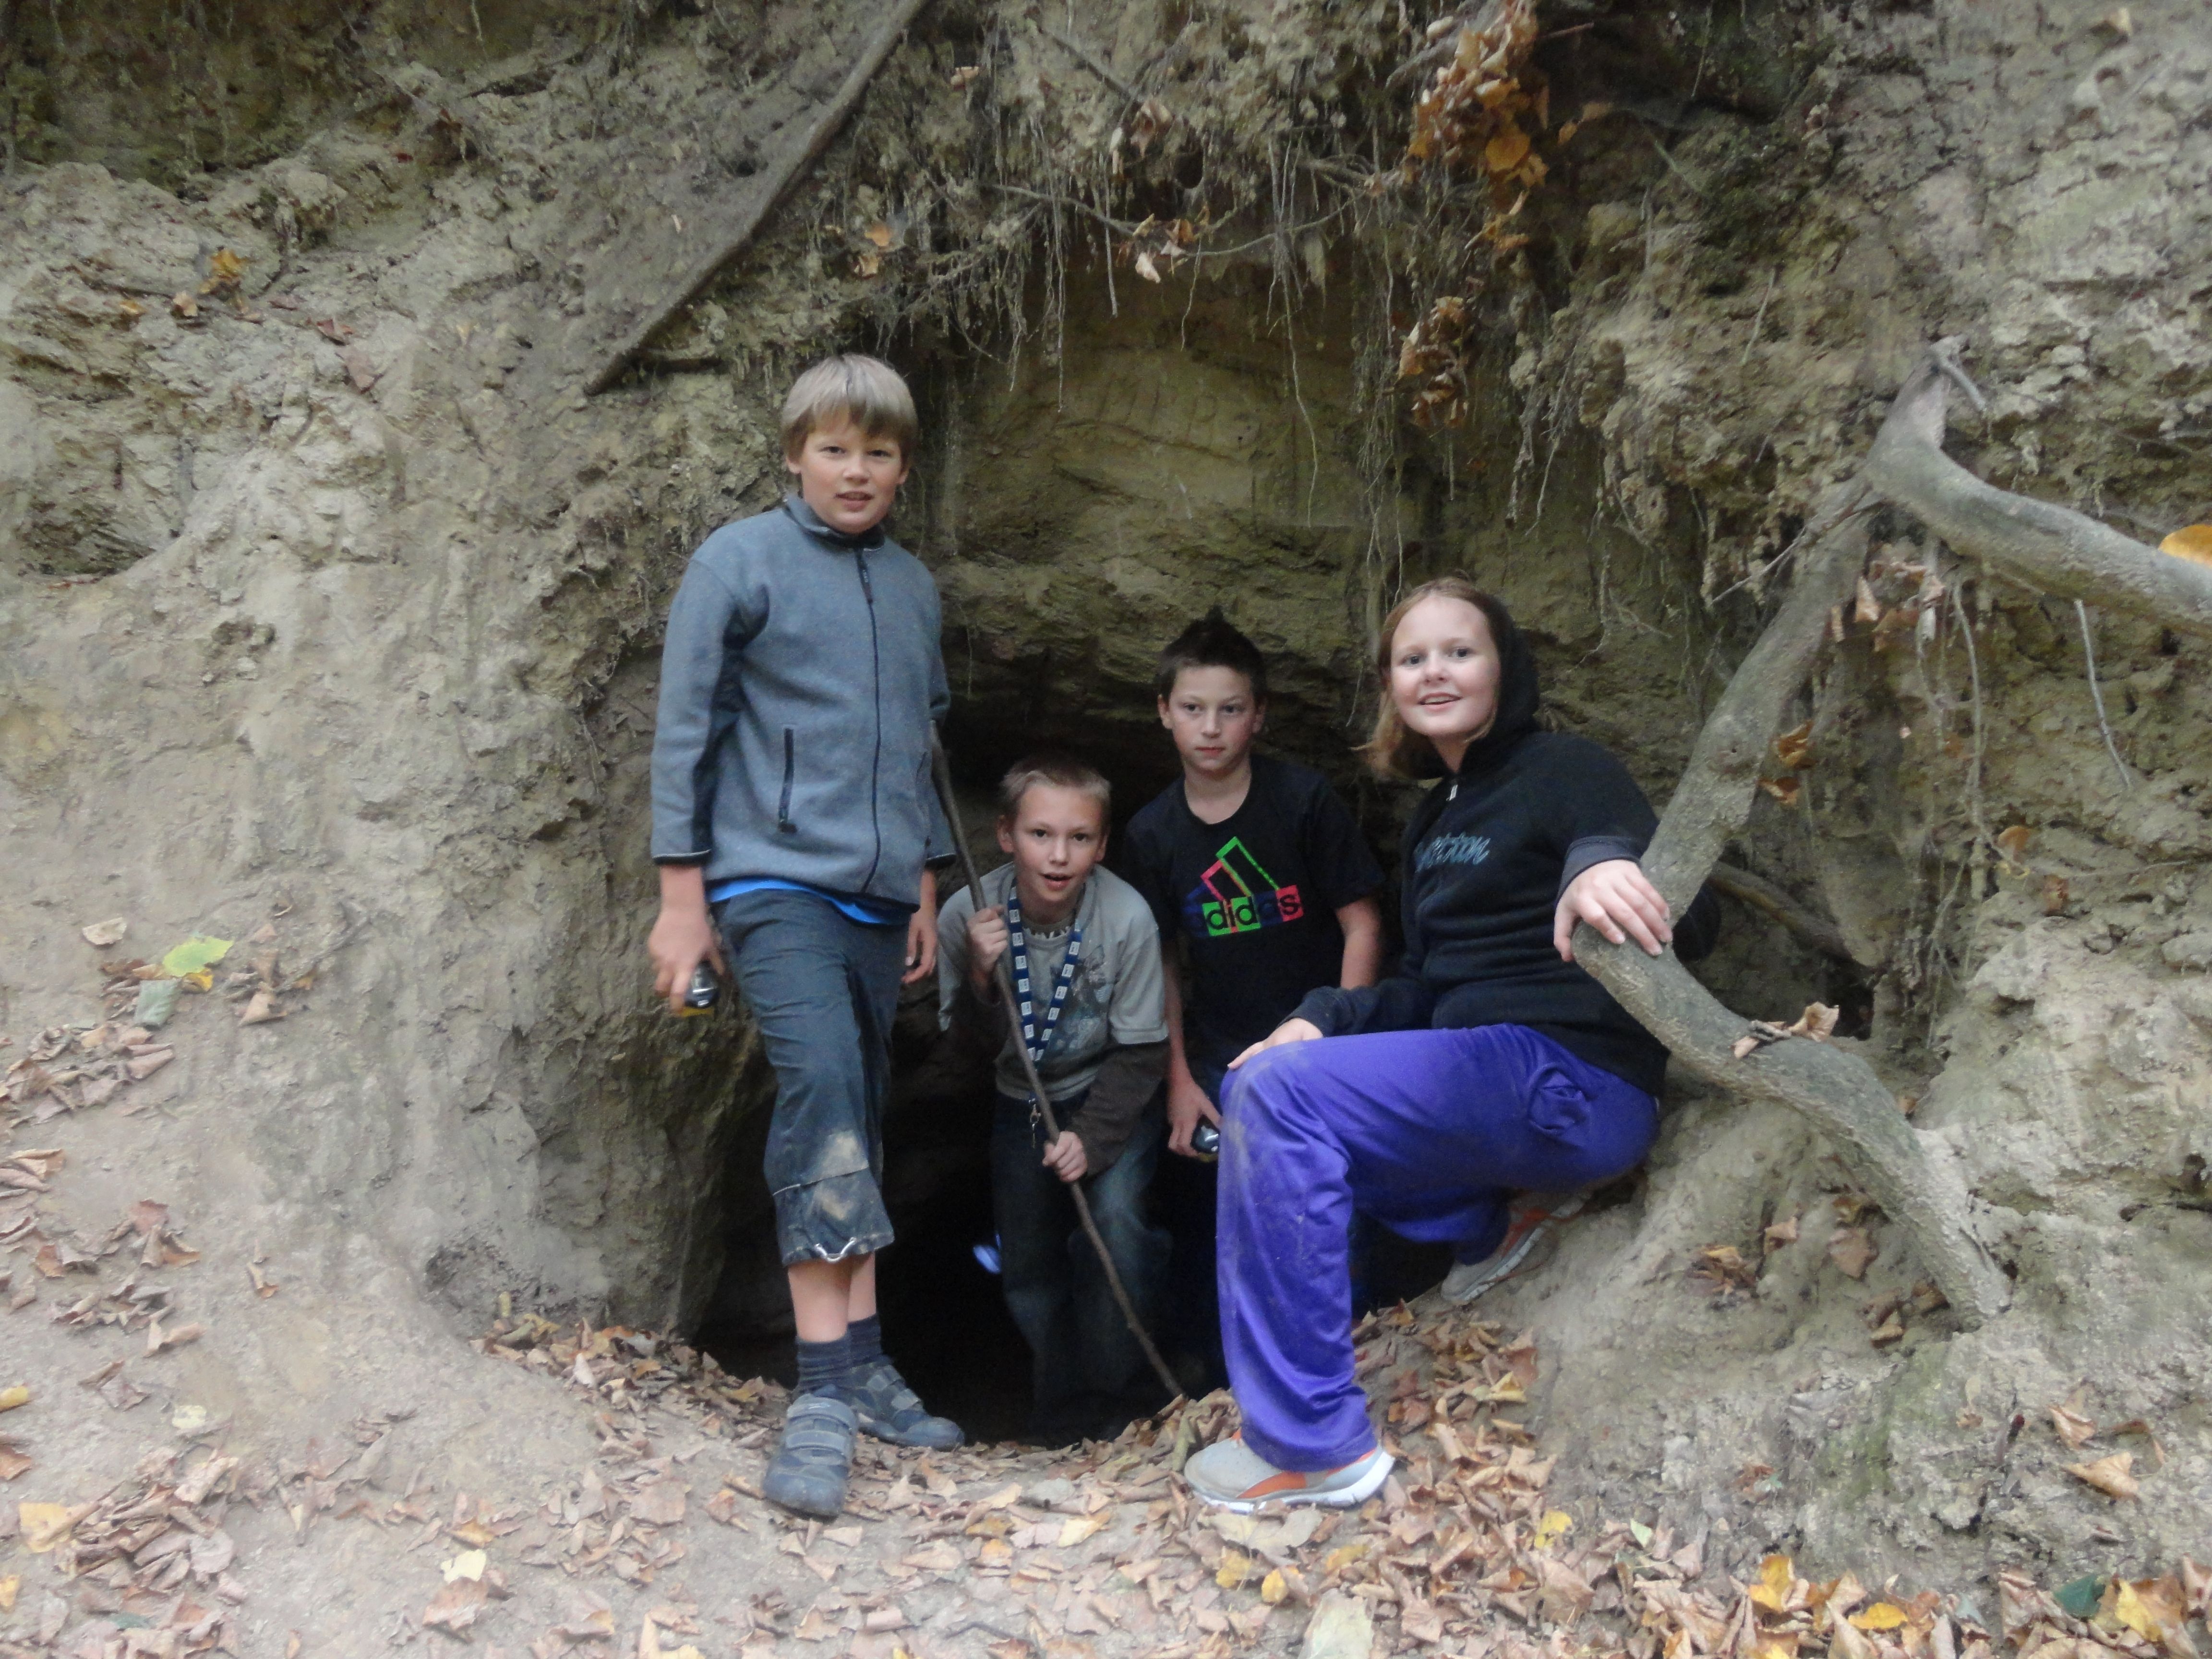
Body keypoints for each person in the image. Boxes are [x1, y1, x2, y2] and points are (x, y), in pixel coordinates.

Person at [1183, 577, 1719, 1511]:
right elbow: (1426, 986)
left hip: (1569, 1073)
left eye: (1459, 651)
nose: (1435, 671)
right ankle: (1492, 1220)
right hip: (1487, 1079)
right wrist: (1320, 1018)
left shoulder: (1566, 767)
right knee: (1266, 1080)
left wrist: (1603, 866)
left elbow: (1689, 913)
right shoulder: (1434, 819)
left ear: (1503, 666)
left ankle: (1311, 1449)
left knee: (1284, 1100)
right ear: (1390, 683)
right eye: (1412, 657)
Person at [646, 354, 963, 1521]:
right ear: (794, 454)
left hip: (882, 897)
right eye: (836, 448)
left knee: (862, 1110)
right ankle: (822, 1391)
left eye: (879, 454)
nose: (857, 471)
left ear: (902, 467)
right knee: (822, 1092)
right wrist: (684, 899)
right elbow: (685, 729)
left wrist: (927, 884)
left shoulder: (915, 587)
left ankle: (868, 1360)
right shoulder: (738, 561)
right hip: (770, 881)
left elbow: (922, 746)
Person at [1120, 610, 1383, 1393]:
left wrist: (1345, 1040)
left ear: (1259, 716)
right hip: (1219, 1057)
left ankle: (1350, 1356)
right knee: (1216, 1219)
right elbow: (1160, 960)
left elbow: (1361, 921)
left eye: (1230, 709)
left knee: (1336, 1206)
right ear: (1163, 711)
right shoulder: (1153, 833)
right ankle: (1220, 1378)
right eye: (1193, 709)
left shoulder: (1301, 801)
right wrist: (1178, 1078)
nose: (1211, 728)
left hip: (1317, 1042)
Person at [938, 755, 1173, 1445]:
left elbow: (1142, 1051)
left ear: (1102, 846)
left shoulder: (1125, 916)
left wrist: (1095, 1138)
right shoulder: (966, 915)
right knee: (1031, 1262)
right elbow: (963, 1057)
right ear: (1006, 835)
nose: (1059, 855)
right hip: (1021, 1101)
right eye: (1041, 835)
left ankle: (1117, 1401)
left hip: (1108, 1094)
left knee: (1116, 1236)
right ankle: (1061, 1403)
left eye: (1079, 838)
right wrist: (982, 975)